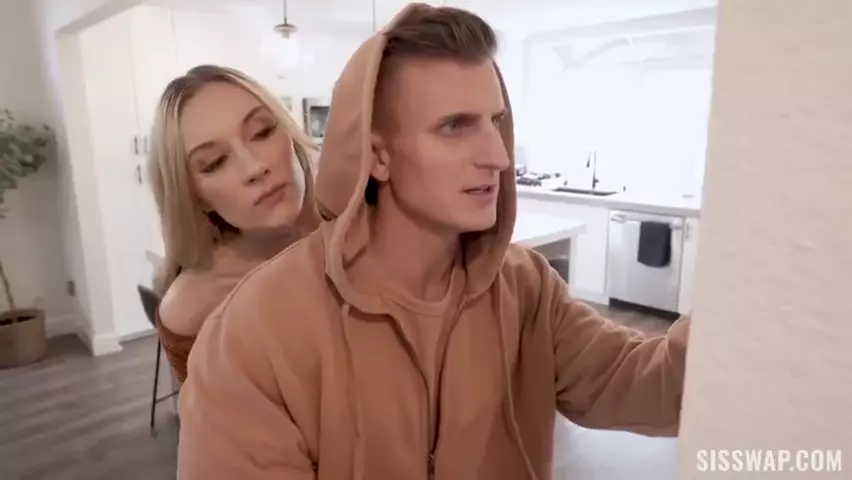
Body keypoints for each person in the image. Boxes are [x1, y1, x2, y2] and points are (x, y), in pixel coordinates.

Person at [176, 5, 690, 479]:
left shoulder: (528, 289)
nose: (498, 156)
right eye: (454, 126)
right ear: (378, 157)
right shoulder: (251, 339)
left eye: (495, 122)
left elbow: (648, 384)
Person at [146, 65, 321, 385]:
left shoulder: (359, 229)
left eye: (262, 132)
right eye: (215, 162)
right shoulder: (196, 309)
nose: (254, 168)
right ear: (197, 197)